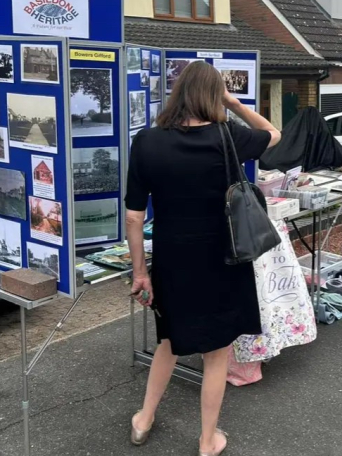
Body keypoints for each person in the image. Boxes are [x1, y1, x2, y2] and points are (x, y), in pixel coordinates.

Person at [124, 61, 281, 456]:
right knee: (216, 353)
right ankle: (208, 440)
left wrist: (140, 272)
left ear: (177, 94)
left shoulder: (146, 141)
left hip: (174, 258)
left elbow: (133, 216)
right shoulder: (228, 136)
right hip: (223, 257)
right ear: (213, 97)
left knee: (169, 340)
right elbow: (271, 133)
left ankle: (143, 419)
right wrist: (232, 101)